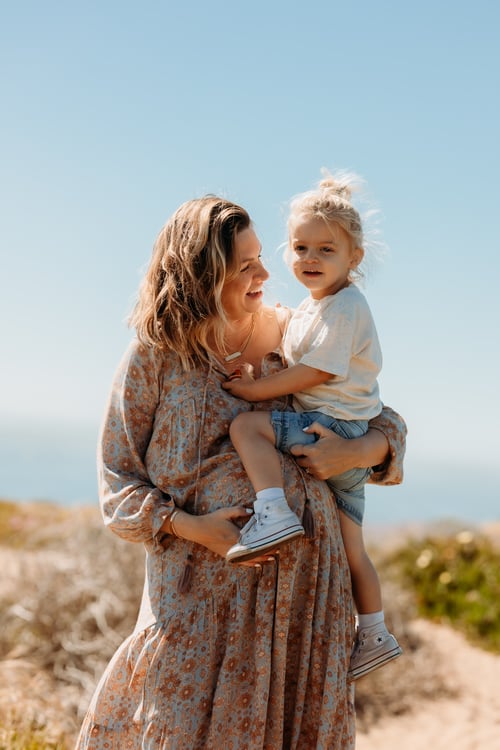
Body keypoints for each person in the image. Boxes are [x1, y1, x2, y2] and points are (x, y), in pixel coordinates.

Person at [76, 194, 407, 749]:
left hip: (308, 613)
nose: (266, 272)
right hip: (200, 612)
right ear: (202, 276)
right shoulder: (156, 356)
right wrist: (192, 527)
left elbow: (381, 416)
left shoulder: (291, 332)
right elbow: (117, 483)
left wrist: (360, 451)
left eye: (260, 256)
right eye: (245, 265)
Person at [222, 171, 402, 680]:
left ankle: (272, 510)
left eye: (326, 250)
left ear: (354, 258)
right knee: (354, 551)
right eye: (301, 247)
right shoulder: (315, 307)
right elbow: (293, 341)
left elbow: (317, 371)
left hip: (333, 427)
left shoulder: (346, 306)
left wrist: (255, 391)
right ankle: (374, 633)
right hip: (346, 436)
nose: (310, 259)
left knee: (248, 429)